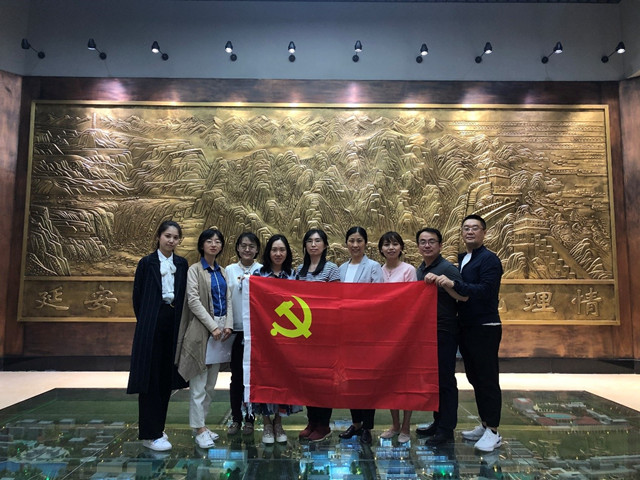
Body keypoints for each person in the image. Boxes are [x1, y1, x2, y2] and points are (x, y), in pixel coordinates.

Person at [429, 215, 503, 452]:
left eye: (475, 228)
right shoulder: (465, 259)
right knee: (475, 377)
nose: (470, 232)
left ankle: (493, 431)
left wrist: (453, 284)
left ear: (484, 232)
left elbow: (485, 290)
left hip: (485, 326)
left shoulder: (489, 259)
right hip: (467, 326)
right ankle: (485, 424)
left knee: (487, 379)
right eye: (466, 228)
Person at [127, 220, 188, 452]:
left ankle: (158, 429)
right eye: (167, 236)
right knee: (150, 379)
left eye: (175, 237)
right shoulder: (147, 263)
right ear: (159, 237)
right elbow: (138, 297)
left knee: (165, 378)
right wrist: (148, 321)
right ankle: (149, 433)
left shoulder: (181, 264)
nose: (171, 240)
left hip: (173, 324)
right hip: (152, 324)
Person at [175, 229, 233, 449]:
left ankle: (203, 424)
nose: (214, 244)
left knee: (210, 385)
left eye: (218, 241)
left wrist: (227, 324)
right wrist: (212, 326)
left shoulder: (223, 271)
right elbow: (193, 301)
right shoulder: (194, 270)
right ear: (202, 245)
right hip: (203, 331)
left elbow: (228, 300)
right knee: (198, 384)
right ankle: (198, 428)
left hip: (221, 333)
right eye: (209, 241)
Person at [416, 228, 467, 446]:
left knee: (445, 380)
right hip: (427, 332)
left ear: (440, 245)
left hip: (444, 331)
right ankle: (438, 422)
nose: (427, 245)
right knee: (434, 380)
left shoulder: (447, 268)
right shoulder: (420, 269)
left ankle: (446, 429)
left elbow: (464, 295)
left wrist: (444, 282)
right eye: (423, 242)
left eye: (431, 241)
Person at [252, 234, 302, 444]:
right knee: (264, 379)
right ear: (268, 252)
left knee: (283, 380)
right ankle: (266, 423)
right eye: (274, 250)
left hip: (287, 338)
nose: (278, 253)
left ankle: (279, 422)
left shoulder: (293, 275)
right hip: (264, 338)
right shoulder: (259, 274)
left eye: (282, 250)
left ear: (287, 252)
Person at [337, 226, 383, 445]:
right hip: (345, 332)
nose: (355, 245)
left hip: (367, 332)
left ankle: (367, 426)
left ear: (366, 244)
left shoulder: (373, 267)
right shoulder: (341, 268)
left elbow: (378, 298)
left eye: (359, 241)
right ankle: (355, 423)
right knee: (350, 379)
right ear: (346, 243)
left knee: (367, 380)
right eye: (351, 241)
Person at [295, 228, 340, 442]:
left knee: (323, 380)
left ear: (325, 245)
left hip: (325, 332)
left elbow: (336, 299)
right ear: (305, 245)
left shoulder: (331, 269)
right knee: (307, 379)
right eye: (310, 241)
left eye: (318, 241)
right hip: (304, 333)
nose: (313, 244)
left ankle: (323, 424)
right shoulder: (299, 270)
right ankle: (311, 421)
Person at [376, 231, 417, 444]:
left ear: (401, 247)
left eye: (394, 244)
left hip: (405, 332)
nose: (390, 248)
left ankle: (406, 426)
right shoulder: (378, 271)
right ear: (381, 249)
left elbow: (413, 299)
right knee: (390, 380)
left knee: (406, 380)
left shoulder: (409, 270)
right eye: (386, 244)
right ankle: (394, 424)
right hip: (384, 332)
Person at [225, 232, 262, 436]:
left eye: (251, 246)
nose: (247, 249)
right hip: (237, 331)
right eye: (243, 246)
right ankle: (236, 418)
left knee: (254, 377)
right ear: (237, 248)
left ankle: (251, 419)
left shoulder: (262, 270)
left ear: (257, 250)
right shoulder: (229, 270)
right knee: (237, 377)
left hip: (257, 333)